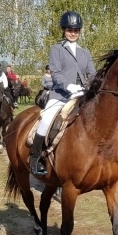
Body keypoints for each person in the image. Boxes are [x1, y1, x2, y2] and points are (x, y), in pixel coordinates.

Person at [29, 11, 97, 176]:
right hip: (61, 95)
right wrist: (69, 86)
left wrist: (90, 85)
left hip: (82, 95)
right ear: (64, 30)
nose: (73, 33)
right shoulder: (56, 49)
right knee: (46, 121)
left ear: (80, 31)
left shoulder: (85, 52)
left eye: (76, 30)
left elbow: (92, 73)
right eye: (69, 30)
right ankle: (35, 158)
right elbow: (56, 72)